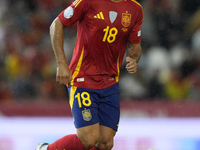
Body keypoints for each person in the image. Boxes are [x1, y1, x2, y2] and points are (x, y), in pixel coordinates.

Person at [36, 0, 143, 149]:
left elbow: (135, 45)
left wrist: (134, 58)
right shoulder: (88, 1)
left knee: (105, 143)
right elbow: (57, 24)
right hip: (83, 78)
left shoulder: (135, 9)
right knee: (89, 138)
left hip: (110, 82)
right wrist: (61, 64)